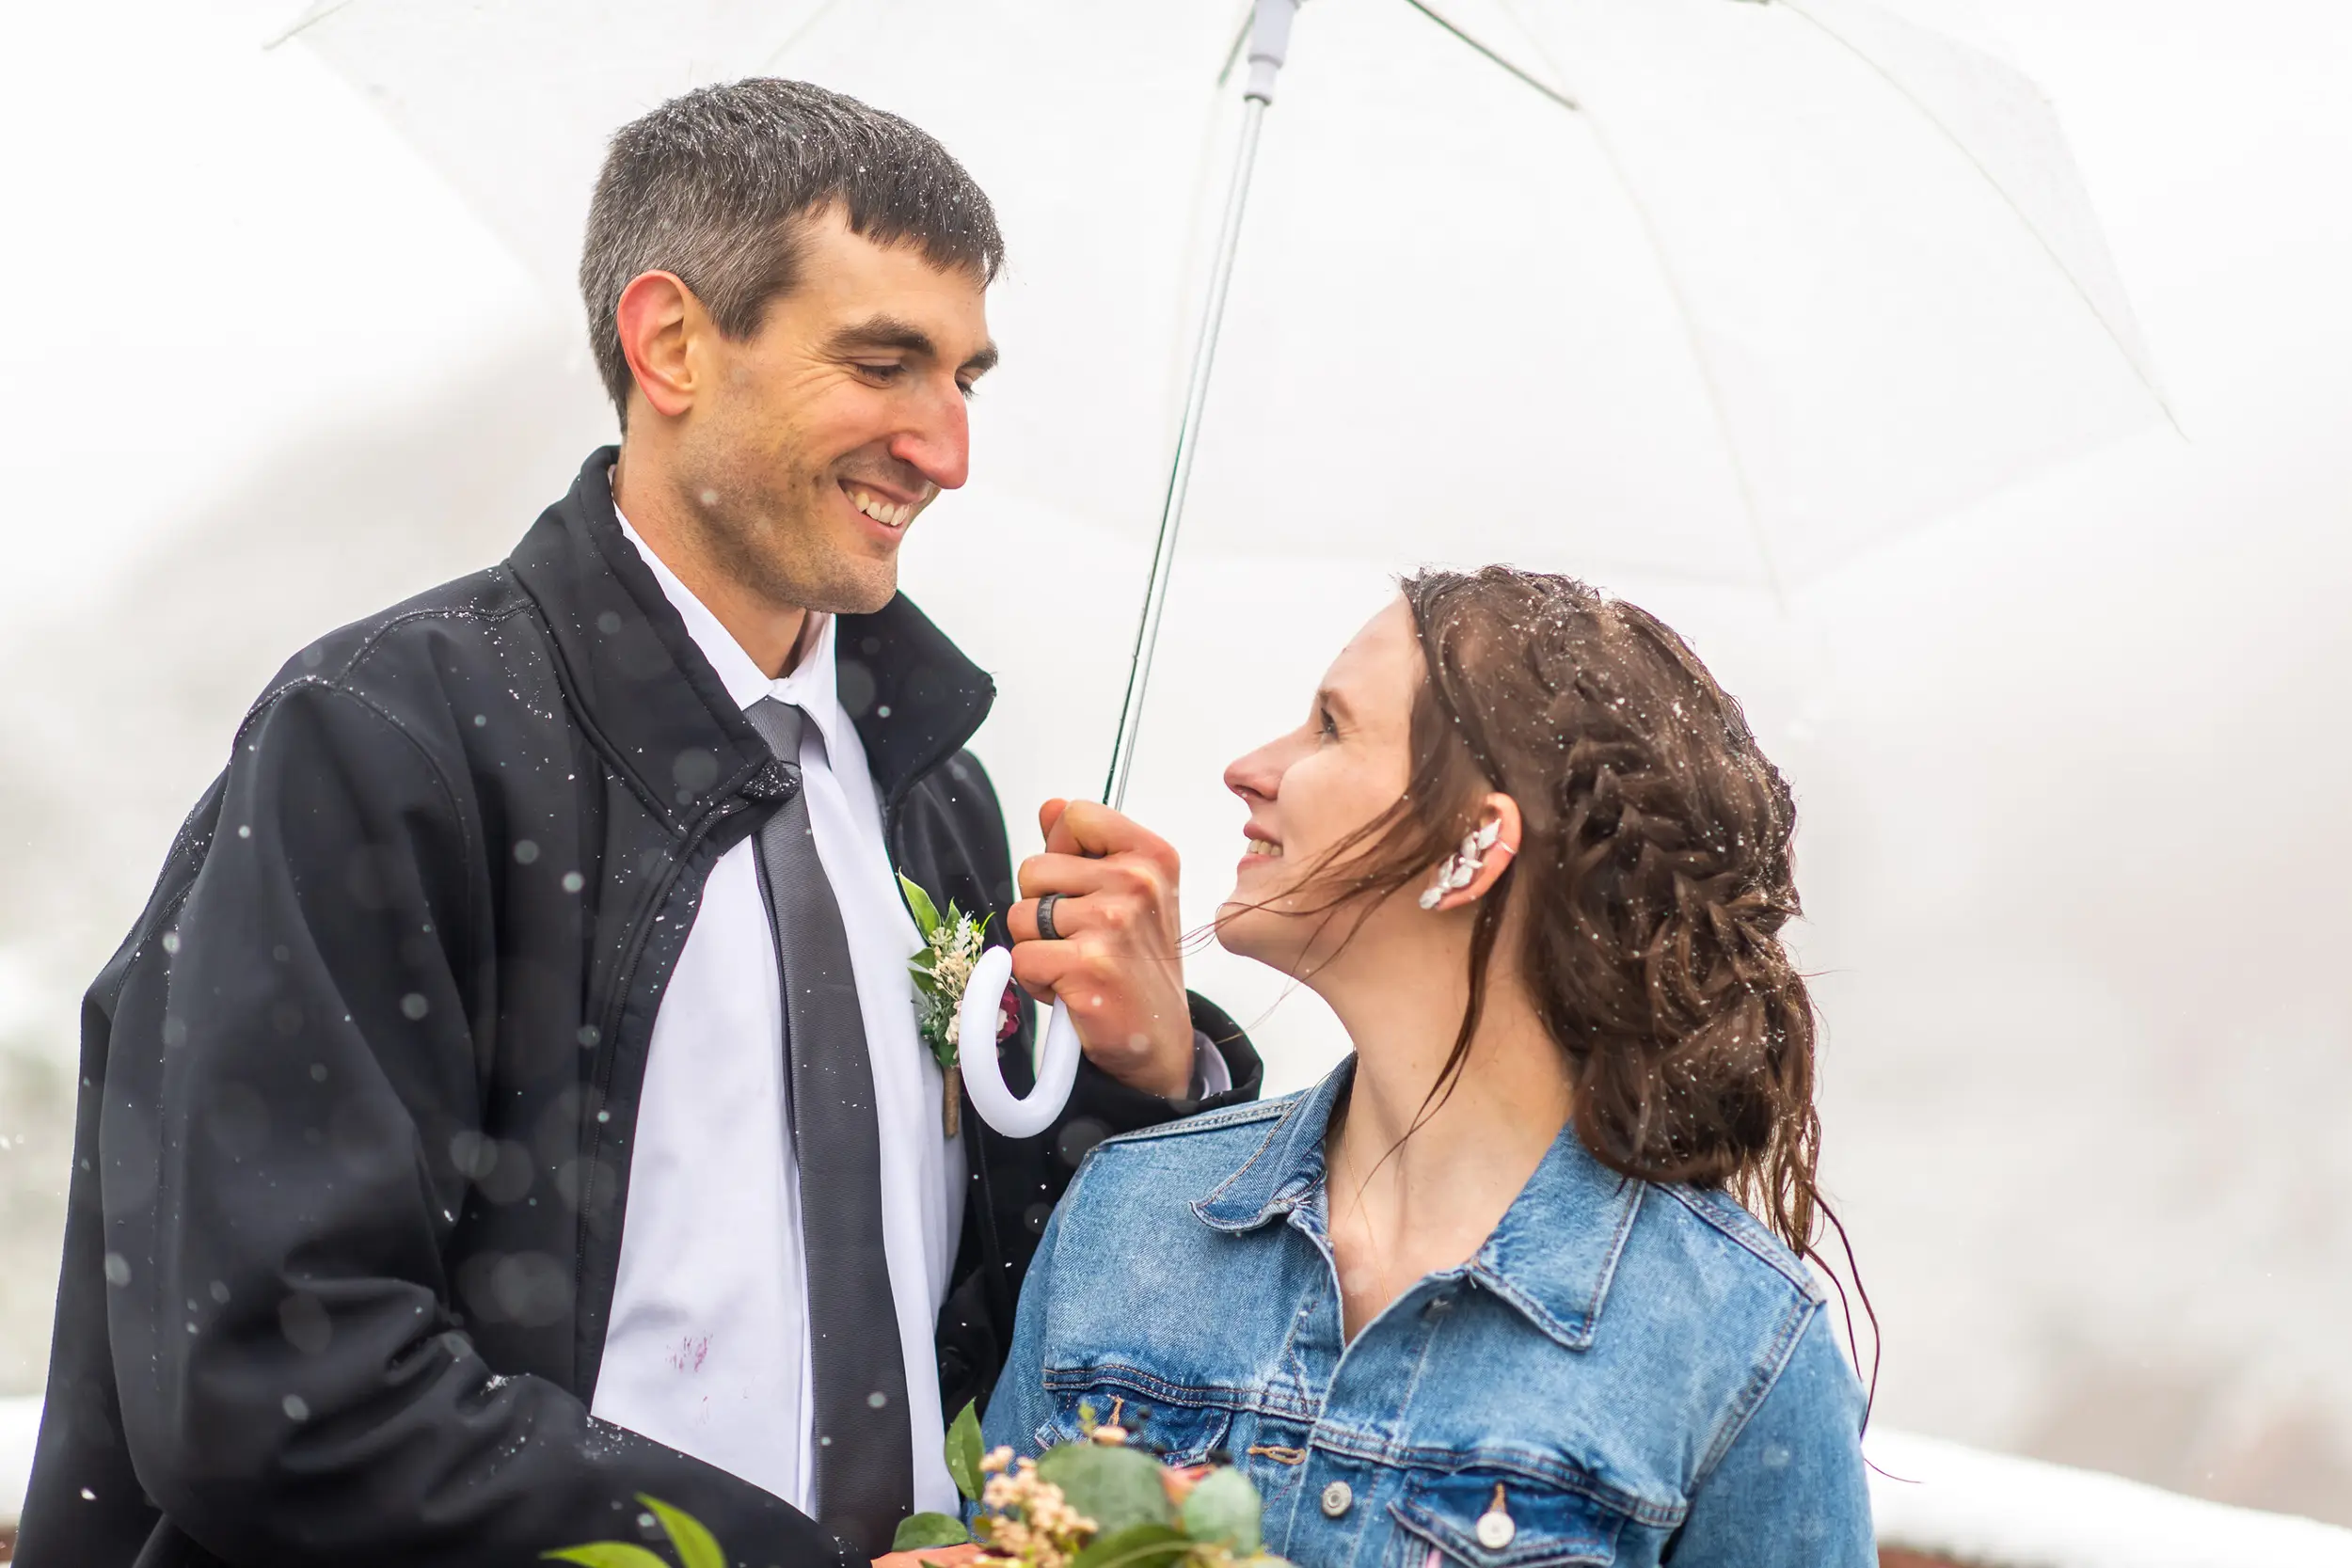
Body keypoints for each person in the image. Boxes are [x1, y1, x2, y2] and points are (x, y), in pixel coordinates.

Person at [18, 79, 1260, 1568]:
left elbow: (992, 1323)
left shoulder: (935, 795)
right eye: (884, 363)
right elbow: (279, 1379)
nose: (945, 449)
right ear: (670, 340)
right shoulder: (380, 739)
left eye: (966, 380)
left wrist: (1138, 1081)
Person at [985, 568, 1874, 1566]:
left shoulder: (1736, 1348)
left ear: (1475, 840)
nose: (1249, 768)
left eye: (1328, 726)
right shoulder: (1130, 1210)